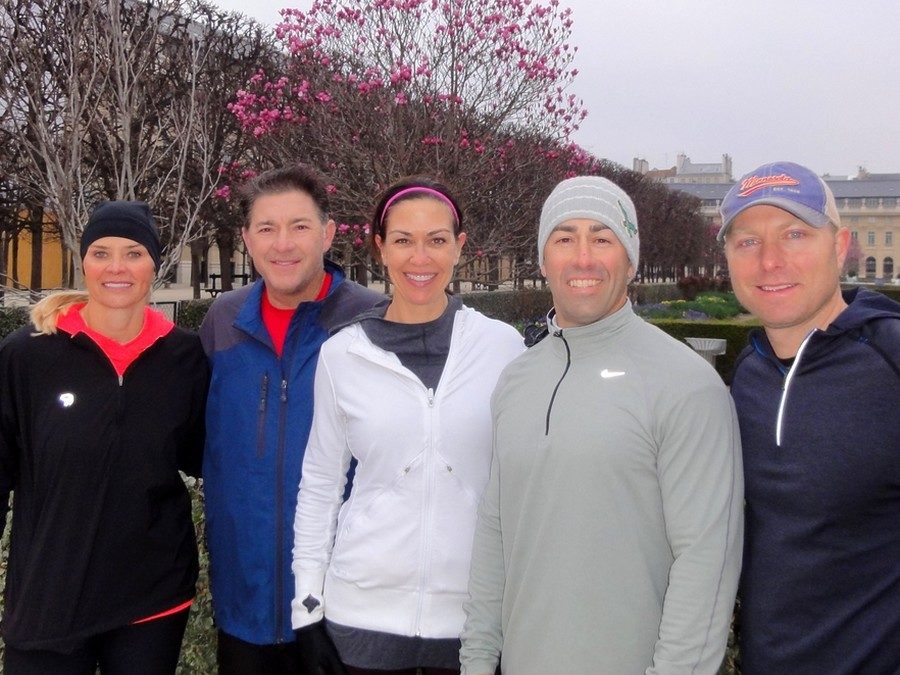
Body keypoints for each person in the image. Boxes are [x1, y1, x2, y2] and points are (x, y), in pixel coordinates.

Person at [459, 175, 744, 675]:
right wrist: (478, 661)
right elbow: (495, 533)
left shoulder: (685, 383)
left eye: (603, 238)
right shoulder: (517, 379)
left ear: (630, 260)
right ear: (544, 259)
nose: (583, 258)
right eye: (565, 237)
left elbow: (707, 563)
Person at [290, 176, 524, 675]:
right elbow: (320, 484)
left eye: (437, 240)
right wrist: (307, 603)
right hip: (362, 617)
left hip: (472, 622)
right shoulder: (342, 354)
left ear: (460, 248)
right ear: (380, 248)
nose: (421, 258)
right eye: (403, 240)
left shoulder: (503, 349)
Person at [0, 201, 209, 674]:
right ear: (83, 263)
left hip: (150, 598)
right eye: (102, 253)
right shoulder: (26, 357)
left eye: (134, 253)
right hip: (49, 595)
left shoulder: (184, 356)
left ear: (155, 264)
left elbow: (205, 456)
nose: (117, 268)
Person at [200, 164, 385, 674]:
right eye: (266, 228)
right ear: (246, 239)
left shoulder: (374, 320)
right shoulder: (224, 321)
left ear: (327, 233)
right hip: (246, 597)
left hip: (348, 596)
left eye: (299, 226)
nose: (283, 243)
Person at [718, 160, 900, 674]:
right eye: (748, 242)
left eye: (794, 234)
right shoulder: (750, 373)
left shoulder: (890, 359)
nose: (770, 261)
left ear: (839, 247)